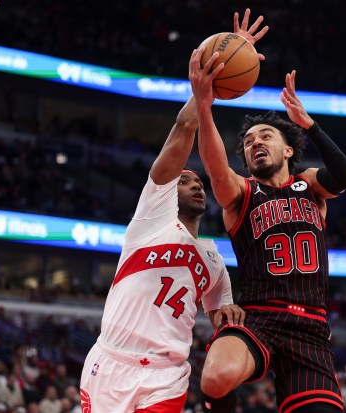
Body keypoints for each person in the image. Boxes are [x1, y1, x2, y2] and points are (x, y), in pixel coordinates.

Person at [79, 10, 268, 412]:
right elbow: (183, 132)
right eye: (186, 180)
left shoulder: (214, 261)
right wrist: (205, 89)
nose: (196, 183)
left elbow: (222, 317)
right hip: (112, 362)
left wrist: (230, 318)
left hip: (167, 375)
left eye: (199, 182)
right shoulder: (150, 218)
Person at [189, 39, 346, 413]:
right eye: (248, 142)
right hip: (259, 316)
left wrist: (309, 125)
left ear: (288, 150)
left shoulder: (310, 185)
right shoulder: (241, 192)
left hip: (310, 328)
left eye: (265, 136)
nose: (255, 143)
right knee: (215, 376)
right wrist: (204, 105)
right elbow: (216, 166)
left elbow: (344, 176)